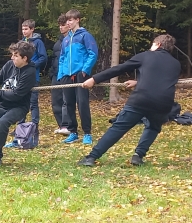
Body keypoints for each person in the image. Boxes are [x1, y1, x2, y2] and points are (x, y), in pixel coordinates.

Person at [76, 34, 181, 167]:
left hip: (141, 99)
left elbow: (119, 69)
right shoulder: (176, 64)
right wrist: (138, 82)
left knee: (119, 127)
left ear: (158, 45)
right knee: (153, 127)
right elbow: (160, 78)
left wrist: (94, 79)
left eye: (153, 44)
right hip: (163, 103)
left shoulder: (146, 56)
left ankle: (91, 157)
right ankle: (138, 156)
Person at [57, 9, 98, 145]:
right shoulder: (66, 39)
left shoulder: (85, 36)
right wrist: (61, 74)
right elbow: (62, 58)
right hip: (66, 76)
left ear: (77, 20)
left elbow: (93, 53)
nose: (68, 23)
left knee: (82, 103)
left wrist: (85, 70)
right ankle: (73, 132)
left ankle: (87, 133)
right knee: (68, 104)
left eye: (70, 20)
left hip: (80, 75)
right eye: (67, 20)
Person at [5, 20, 48, 148]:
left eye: (26, 29)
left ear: (32, 29)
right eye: (23, 29)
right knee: (20, 101)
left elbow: (43, 57)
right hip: (20, 77)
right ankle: (20, 127)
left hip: (33, 77)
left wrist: (32, 66)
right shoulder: (21, 42)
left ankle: (34, 126)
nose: (24, 31)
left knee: (33, 102)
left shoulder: (38, 42)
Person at [50, 14, 71, 135]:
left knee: (66, 101)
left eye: (63, 25)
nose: (60, 27)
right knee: (55, 101)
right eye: (59, 25)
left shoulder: (74, 39)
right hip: (56, 74)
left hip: (67, 75)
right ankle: (61, 125)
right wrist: (52, 72)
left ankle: (67, 125)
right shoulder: (58, 42)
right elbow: (54, 58)